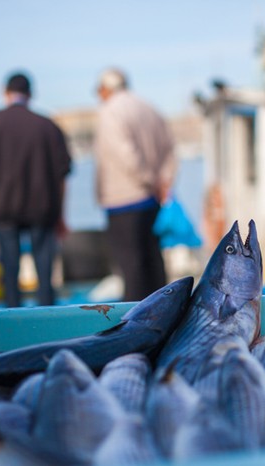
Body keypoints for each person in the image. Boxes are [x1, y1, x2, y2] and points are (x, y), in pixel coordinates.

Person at [0, 71, 72, 308]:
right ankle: (48, 321)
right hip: (43, 209)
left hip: (4, 208)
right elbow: (62, 177)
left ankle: (13, 321)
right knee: (45, 274)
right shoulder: (48, 126)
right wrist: (61, 215)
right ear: (30, 94)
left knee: (9, 271)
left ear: (5, 93)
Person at [94, 68, 177, 301]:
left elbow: (126, 155)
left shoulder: (110, 111)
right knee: (153, 259)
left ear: (106, 88)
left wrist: (148, 180)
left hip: (123, 198)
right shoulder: (148, 108)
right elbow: (170, 148)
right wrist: (162, 183)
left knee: (130, 265)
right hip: (151, 199)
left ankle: (135, 320)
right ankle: (165, 306)